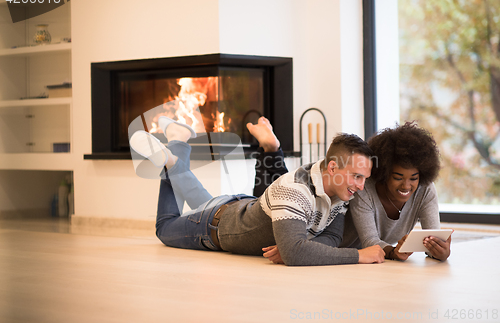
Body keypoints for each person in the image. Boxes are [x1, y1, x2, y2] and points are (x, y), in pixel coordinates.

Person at [129, 116, 385, 266]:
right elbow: (295, 254)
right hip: (216, 227)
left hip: (238, 210)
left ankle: (177, 143)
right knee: (165, 227)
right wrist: (358, 255)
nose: (361, 186)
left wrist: (298, 246)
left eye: (364, 178)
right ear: (332, 167)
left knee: (204, 201)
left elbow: (331, 238)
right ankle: (171, 158)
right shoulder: (296, 189)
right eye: (357, 176)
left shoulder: (339, 190)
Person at [340, 122, 452, 261]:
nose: (406, 185)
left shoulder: (425, 190)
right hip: (341, 256)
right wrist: (393, 252)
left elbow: (432, 236)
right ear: (384, 173)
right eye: (398, 177)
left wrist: (439, 250)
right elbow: (369, 241)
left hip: (373, 261)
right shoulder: (364, 189)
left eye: (413, 178)